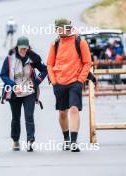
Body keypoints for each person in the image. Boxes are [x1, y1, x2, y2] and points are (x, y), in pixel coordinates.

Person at [47, 18, 92, 152]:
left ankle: (73, 142)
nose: (59, 31)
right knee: (62, 113)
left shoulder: (80, 42)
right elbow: (49, 64)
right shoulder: (55, 44)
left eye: (62, 28)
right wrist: (54, 81)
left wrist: (80, 80)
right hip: (59, 83)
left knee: (74, 109)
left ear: (67, 28)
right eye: (58, 29)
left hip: (75, 82)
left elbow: (87, 63)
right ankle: (66, 139)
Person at [0, 36, 47, 152]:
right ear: (17, 48)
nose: (23, 51)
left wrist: (36, 81)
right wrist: (13, 85)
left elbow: (44, 69)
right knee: (15, 118)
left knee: (29, 116)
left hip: (29, 92)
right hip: (14, 92)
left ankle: (30, 141)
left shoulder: (32, 59)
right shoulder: (9, 59)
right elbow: (3, 75)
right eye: (21, 48)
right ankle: (15, 140)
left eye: (25, 49)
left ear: (28, 48)